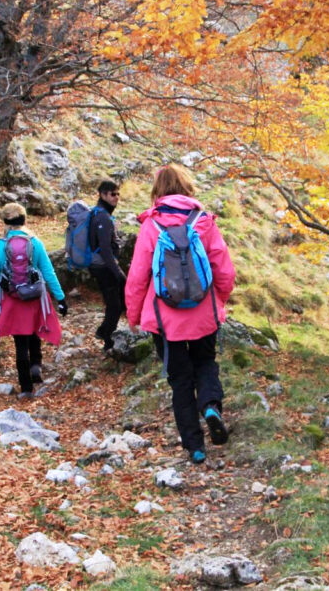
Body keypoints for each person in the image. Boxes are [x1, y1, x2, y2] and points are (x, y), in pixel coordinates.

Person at [124, 163, 236, 464]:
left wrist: (133, 316)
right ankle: (211, 406)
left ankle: (195, 446)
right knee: (206, 363)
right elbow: (224, 270)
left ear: (157, 192)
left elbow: (137, 277)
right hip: (204, 314)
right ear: (186, 188)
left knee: (181, 380)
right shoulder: (204, 222)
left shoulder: (151, 225)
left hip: (164, 321)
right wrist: (219, 302)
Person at [0, 203, 68, 399]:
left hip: (12, 299)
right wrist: (61, 297)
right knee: (34, 329)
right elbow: (48, 272)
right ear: (24, 220)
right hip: (34, 297)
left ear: (5, 221)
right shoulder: (35, 243)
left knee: (20, 342)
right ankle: (36, 365)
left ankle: (25, 387)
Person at [89, 179, 127, 351]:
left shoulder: (101, 212)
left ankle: (107, 333)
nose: (116, 197)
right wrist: (117, 271)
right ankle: (106, 336)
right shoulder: (103, 217)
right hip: (104, 267)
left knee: (118, 302)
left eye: (118, 193)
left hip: (101, 265)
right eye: (112, 194)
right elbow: (104, 248)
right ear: (103, 195)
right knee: (115, 304)